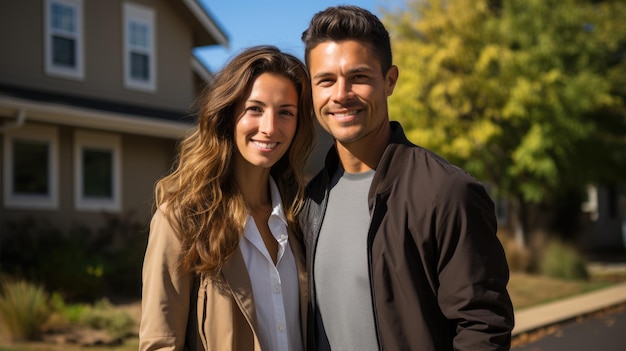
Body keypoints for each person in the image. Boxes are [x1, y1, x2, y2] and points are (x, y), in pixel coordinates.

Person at [299, 6, 515, 351]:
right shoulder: (309, 201)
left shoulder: (446, 192)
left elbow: (482, 326)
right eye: (325, 80)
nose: (341, 94)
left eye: (358, 77)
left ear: (389, 81)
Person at [139, 45, 315, 351]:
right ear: (228, 114)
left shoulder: (300, 216)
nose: (270, 127)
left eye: (285, 112)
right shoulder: (181, 221)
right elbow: (160, 343)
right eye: (255, 109)